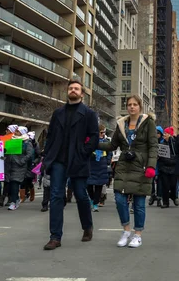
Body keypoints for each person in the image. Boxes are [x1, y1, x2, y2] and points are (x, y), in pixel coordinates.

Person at [41, 80, 99, 250]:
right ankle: (55, 237)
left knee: (81, 195)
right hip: (58, 160)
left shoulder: (88, 114)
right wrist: (47, 156)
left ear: (82, 94)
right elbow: (50, 135)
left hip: (78, 160)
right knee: (56, 196)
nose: (73, 90)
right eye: (70, 88)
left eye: (76, 88)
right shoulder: (58, 113)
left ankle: (87, 227)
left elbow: (94, 137)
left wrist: (84, 151)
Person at [101, 95, 157, 248]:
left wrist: (151, 166)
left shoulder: (148, 123)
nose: (132, 107)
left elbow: (153, 146)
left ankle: (137, 234)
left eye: (135, 104)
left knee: (139, 204)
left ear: (140, 107)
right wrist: (94, 143)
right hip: (124, 166)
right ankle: (126, 230)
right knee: (119, 199)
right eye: (129, 104)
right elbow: (112, 146)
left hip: (141, 166)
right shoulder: (121, 124)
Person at [87, 124, 111, 212]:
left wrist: (108, 160)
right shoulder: (90, 141)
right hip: (91, 164)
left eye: (104, 132)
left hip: (102, 164)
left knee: (99, 185)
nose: (103, 134)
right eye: (101, 132)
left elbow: (109, 152)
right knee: (89, 184)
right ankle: (92, 199)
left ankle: (96, 203)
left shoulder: (106, 141)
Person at [0, 125, 17, 203]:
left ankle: (7, 198)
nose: (6, 131)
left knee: (8, 182)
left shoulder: (15, 139)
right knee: (0, 179)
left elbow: (13, 153)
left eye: (8, 130)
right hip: (2, 162)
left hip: (10, 163)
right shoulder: (2, 138)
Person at [158, 127, 178, 208]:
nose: (164, 135)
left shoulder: (175, 144)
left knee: (173, 185)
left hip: (174, 168)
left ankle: (173, 196)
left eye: (166, 133)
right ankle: (165, 202)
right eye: (164, 133)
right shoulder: (162, 145)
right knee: (165, 186)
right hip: (164, 168)